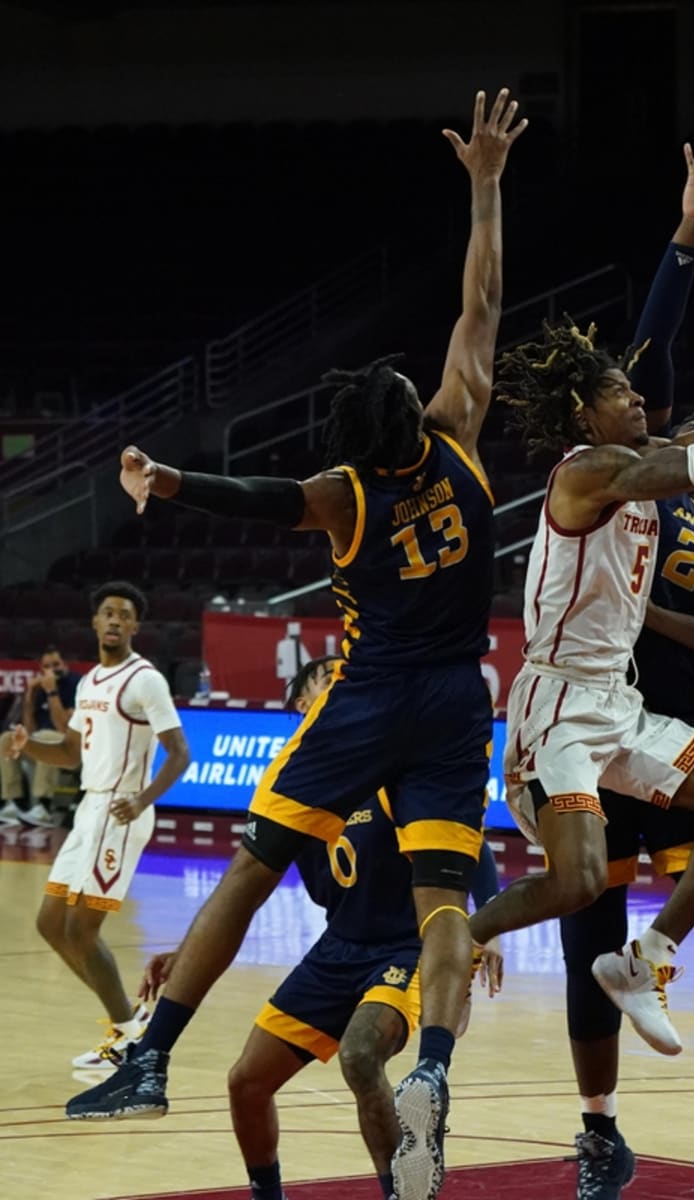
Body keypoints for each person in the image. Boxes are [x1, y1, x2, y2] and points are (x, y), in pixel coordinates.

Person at [67, 88, 525, 1200]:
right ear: (415, 416)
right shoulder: (458, 430)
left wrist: (167, 480)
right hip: (459, 702)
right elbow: (483, 299)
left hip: (369, 692)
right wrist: (485, 187)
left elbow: (256, 495)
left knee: (257, 856)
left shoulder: (342, 497)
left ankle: (154, 1053)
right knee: (445, 905)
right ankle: (439, 1071)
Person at [467, 133, 694, 1064]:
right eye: (624, 394)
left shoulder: (652, 477)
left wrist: (687, 238)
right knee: (578, 881)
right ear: (586, 415)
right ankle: (455, 936)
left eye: (638, 394)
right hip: (553, 709)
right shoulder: (591, 470)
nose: (641, 400)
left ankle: (653, 955)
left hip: (620, 707)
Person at [138, 656, 502, 1200]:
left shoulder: (392, 766)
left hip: (409, 945)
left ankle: (404, 1189)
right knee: (246, 1082)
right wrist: (187, 951)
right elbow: (245, 888)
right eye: (324, 678)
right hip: (339, 948)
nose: (340, 681)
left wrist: (487, 923)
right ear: (303, 708)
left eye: (343, 673)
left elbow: (470, 845)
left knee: (360, 1054)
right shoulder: (297, 790)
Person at [0, 583, 190, 1069]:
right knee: (49, 924)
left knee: (81, 931)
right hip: (90, 811)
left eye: (122, 615)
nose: (113, 621)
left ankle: (129, 1035)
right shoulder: (88, 683)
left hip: (122, 813)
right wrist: (26, 746)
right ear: (94, 622)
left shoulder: (145, 680)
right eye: (106, 612)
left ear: (133, 627)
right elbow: (68, 753)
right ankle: (129, 1023)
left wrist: (142, 799)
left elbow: (180, 754)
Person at [0, 645, 82, 827]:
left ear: (65, 664)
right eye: (47, 666)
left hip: (70, 749)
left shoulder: (77, 684)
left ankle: (43, 808)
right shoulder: (40, 688)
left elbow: (65, 728)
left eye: (56, 664)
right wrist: (30, 694)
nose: (53, 670)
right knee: (8, 739)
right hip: (42, 744)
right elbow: (31, 730)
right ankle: (14, 803)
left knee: (47, 736)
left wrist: (52, 692)